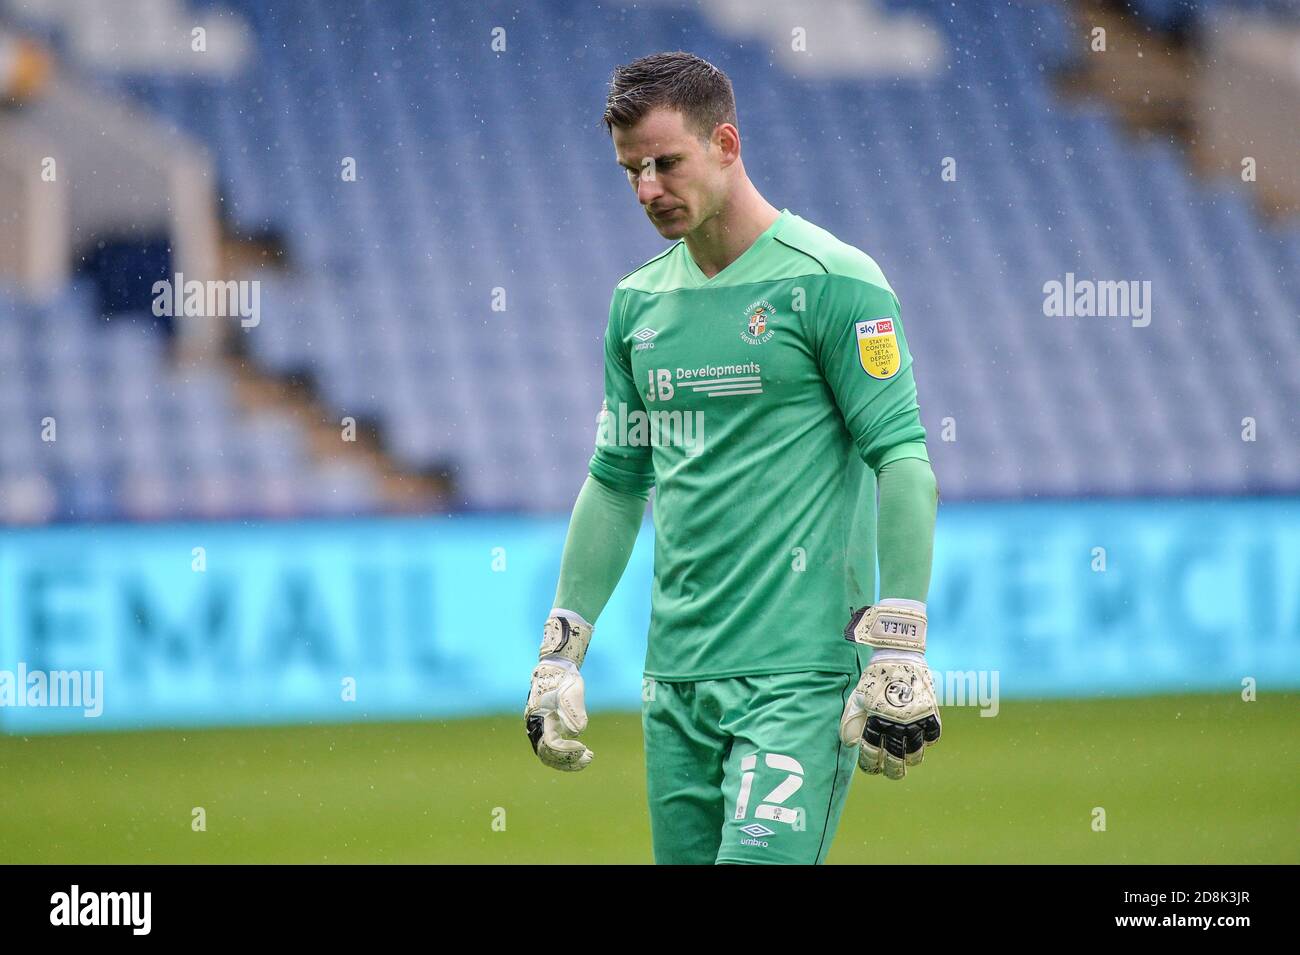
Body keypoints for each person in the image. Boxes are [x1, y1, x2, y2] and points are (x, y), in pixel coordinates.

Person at [525, 51, 941, 865]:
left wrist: (900, 641)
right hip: (675, 678)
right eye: (631, 171)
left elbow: (903, 458)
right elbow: (615, 483)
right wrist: (559, 652)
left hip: (800, 671)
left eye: (666, 162)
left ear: (725, 142)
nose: (647, 189)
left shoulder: (836, 284)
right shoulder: (637, 303)